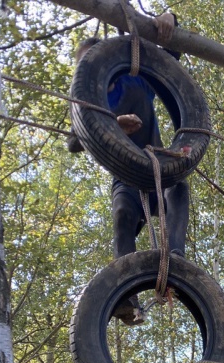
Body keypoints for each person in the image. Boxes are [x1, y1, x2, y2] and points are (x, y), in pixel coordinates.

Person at [68, 12, 189, 324]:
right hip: (126, 179)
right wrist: (113, 124)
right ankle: (126, 299)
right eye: (83, 66)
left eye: (93, 61)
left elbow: (169, 62)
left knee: (179, 185)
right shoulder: (90, 105)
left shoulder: (133, 79)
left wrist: (170, 19)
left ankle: (176, 259)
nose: (89, 70)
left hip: (159, 168)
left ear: (105, 61)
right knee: (122, 215)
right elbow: (73, 142)